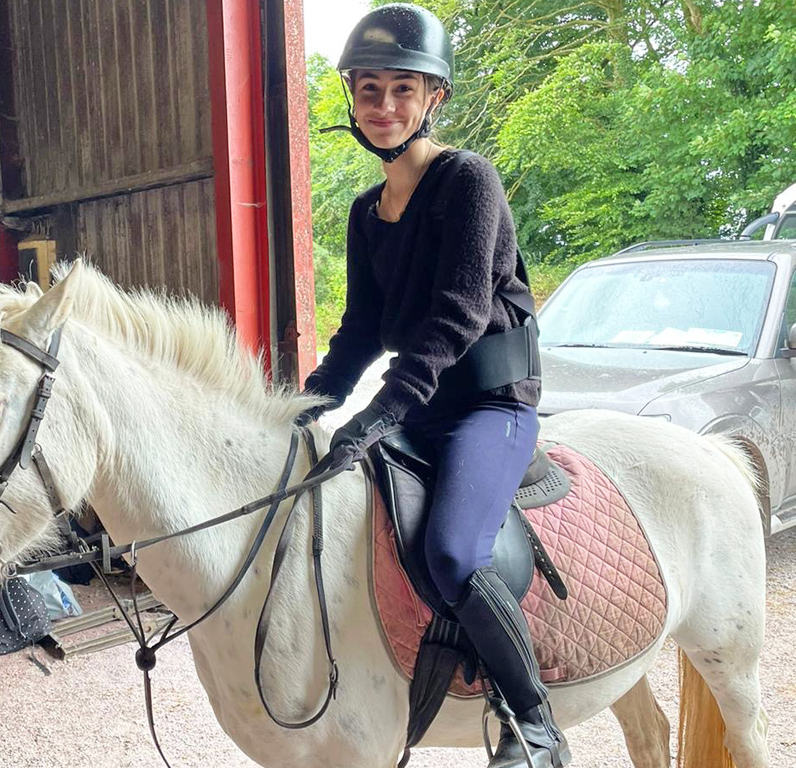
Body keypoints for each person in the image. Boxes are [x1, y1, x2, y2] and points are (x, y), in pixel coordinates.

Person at [305, 4, 569, 767]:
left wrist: (379, 413)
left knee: (453, 551)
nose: (383, 108)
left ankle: (535, 722)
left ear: (433, 99)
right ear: (353, 100)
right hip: (424, 410)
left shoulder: (468, 181)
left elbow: (456, 316)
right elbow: (358, 333)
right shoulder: (364, 213)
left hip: (492, 405)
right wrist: (308, 407)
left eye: (401, 90)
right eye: (369, 91)